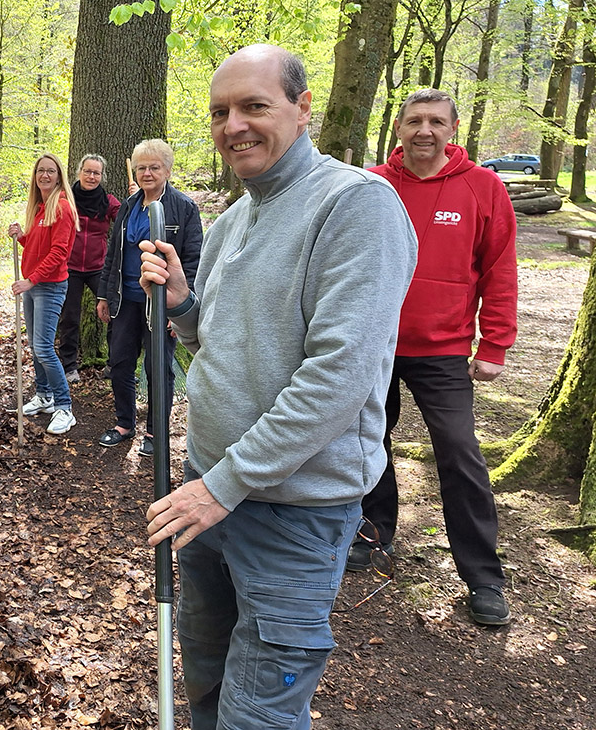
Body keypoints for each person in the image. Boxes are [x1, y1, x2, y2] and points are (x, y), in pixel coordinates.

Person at [140, 45, 417, 730]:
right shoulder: (235, 218)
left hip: (292, 512)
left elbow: (338, 378)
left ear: (302, 109)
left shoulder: (356, 206)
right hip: (210, 492)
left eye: (253, 106)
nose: (233, 125)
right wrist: (182, 304)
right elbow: (221, 346)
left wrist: (222, 484)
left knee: (258, 712)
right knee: (204, 678)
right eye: (219, 112)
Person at [357, 88, 517, 626]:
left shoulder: (482, 187)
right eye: (414, 121)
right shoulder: (374, 185)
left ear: (453, 130)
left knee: (459, 454)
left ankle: (483, 576)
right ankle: (373, 535)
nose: (424, 130)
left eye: (435, 122)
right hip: (373, 344)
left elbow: (499, 268)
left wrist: (494, 343)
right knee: (368, 442)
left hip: (444, 349)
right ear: (398, 127)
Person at [96, 140, 202, 456]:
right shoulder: (129, 206)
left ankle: (156, 434)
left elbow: (194, 259)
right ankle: (124, 424)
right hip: (125, 299)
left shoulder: (183, 208)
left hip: (160, 303)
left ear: (167, 170)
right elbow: (113, 253)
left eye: (154, 167)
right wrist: (103, 295)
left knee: (159, 369)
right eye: (141, 167)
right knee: (120, 362)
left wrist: (179, 309)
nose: (147, 173)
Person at [7, 153, 79, 436]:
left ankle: (64, 407)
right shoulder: (41, 207)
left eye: (50, 171)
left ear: (59, 176)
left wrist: (30, 281)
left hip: (49, 286)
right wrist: (22, 236)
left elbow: (59, 253)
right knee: (36, 346)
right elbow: (39, 247)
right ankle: (45, 395)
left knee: (44, 348)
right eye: (40, 172)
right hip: (34, 285)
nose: (45, 176)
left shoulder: (61, 207)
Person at [56, 155, 120, 383]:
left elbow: (127, 219)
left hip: (98, 267)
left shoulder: (109, 202)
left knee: (113, 312)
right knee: (70, 317)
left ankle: (115, 363)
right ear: (79, 172)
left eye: (96, 173)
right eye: (88, 171)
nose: (92, 177)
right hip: (69, 266)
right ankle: (69, 366)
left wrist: (135, 198)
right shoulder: (65, 198)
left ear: (102, 177)